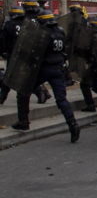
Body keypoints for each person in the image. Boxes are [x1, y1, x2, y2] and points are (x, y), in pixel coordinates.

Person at [11, 10, 81, 142]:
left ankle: (23, 121)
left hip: (43, 69)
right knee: (61, 99)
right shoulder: (60, 32)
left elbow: (34, 52)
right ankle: (73, 124)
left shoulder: (43, 34)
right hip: (58, 69)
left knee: (23, 92)